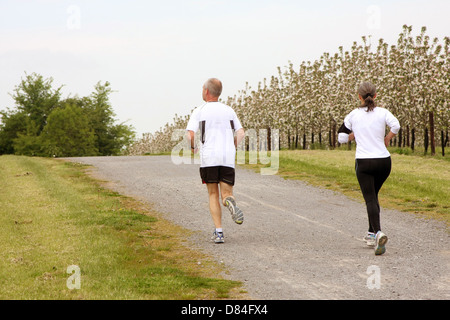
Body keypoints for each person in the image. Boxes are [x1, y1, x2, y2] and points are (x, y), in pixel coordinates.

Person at [338, 82, 400, 255]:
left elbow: (341, 138)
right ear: (375, 95)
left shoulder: (353, 115)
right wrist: (387, 138)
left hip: (364, 163)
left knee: (370, 199)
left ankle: (378, 233)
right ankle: (371, 232)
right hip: (384, 162)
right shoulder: (383, 112)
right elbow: (396, 125)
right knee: (373, 196)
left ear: (359, 97)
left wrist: (354, 134)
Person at [186, 78, 245, 244]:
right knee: (226, 194)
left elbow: (190, 134)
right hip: (227, 157)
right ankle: (229, 201)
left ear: (206, 91)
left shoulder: (200, 110)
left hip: (209, 157)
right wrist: (232, 146)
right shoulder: (228, 110)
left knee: (213, 194)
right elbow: (240, 132)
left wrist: (192, 148)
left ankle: (219, 233)